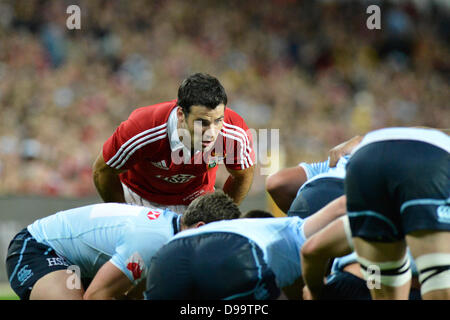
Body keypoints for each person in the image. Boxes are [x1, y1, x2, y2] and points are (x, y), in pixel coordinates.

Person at [6, 191, 241, 300]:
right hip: (37, 248)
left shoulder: (171, 236)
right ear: (199, 228)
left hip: (78, 264)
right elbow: (96, 296)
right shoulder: (152, 242)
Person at [93, 73, 255, 213]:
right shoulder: (142, 129)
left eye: (218, 120)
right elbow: (102, 171)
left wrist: (221, 216)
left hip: (197, 202)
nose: (212, 133)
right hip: (139, 199)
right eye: (202, 123)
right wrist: (124, 216)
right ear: (180, 114)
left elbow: (243, 175)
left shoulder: (234, 131)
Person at [144, 196, 347, 300]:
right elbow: (341, 206)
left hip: (167, 255)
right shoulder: (294, 229)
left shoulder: (251, 230)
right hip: (236, 251)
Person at [342, 127, 449, 299]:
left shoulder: (347, 226)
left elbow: (311, 249)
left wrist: (313, 288)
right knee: (439, 278)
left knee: (379, 284)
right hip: (360, 279)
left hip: (365, 160)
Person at [266, 135, 362, 213]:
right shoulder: (356, 145)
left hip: (345, 184)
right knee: (275, 182)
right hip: (338, 166)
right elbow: (276, 183)